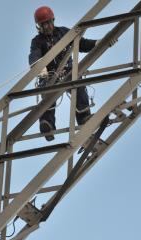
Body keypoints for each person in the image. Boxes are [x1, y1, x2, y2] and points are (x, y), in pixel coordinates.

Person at [28, 6, 101, 141]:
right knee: (47, 92)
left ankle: (84, 116)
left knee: (78, 84)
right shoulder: (37, 41)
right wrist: (40, 68)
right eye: (44, 24)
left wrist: (97, 43)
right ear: (39, 26)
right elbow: (34, 56)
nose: (47, 26)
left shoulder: (63, 33)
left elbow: (82, 44)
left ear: (53, 21)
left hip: (67, 71)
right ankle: (47, 124)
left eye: (48, 22)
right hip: (50, 75)